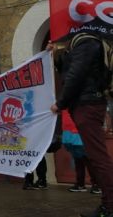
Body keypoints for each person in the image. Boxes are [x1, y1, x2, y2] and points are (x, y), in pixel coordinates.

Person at [50, 32, 113, 217]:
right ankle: (108, 205)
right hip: (86, 104)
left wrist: (60, 103)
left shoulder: (87, 42)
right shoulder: (82, 44)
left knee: (99, 158)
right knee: (96, 157)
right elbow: (69, 70)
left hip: (87, 105)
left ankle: (110, 208)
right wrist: (54, 55)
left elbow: (75, 76)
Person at [62, 110, 101, 194]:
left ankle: (97, 185)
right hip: (69, 135)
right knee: (78, 161)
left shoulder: (78, 103)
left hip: (80, 134)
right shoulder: (64, 105)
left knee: (88, 161)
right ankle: (80, 184)